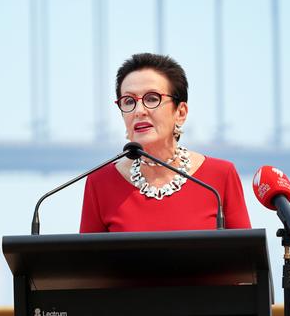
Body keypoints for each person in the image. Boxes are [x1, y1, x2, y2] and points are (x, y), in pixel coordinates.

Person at [80, 53, 251, 233]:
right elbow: (87, 260)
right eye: (129, 101)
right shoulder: (100, 182)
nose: (139, 111)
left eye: (152, 98)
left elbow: (246, 258)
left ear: (181, 112)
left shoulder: (220, 177)